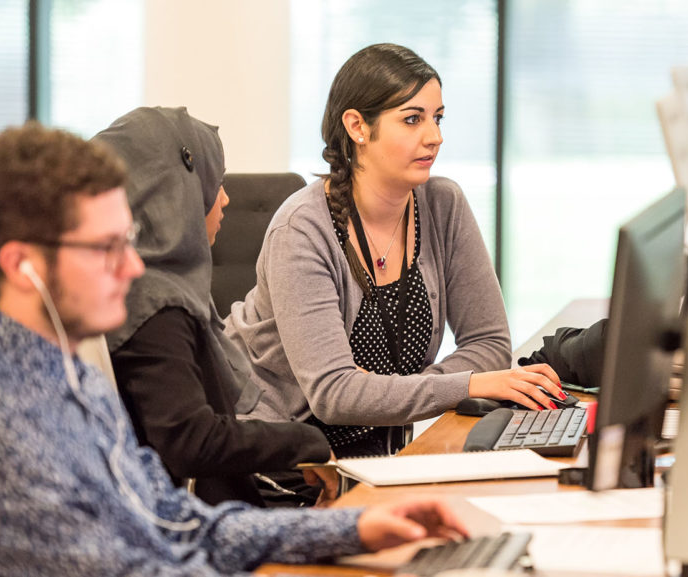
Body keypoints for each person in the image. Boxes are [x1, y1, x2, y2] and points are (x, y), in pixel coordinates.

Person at [0, 122, 467, 575]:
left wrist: (352, 528)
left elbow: (177, 521)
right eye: (105, 247)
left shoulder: (67, 379)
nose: (131, 266)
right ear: (22, 266)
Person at [224, 43, 566, 457]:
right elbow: (334, 394)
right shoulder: (303, 229)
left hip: (381, 454)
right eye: (412, 119)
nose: (435, 137)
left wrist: (392, 392)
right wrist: (466, 384)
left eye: (437, 118)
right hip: (285, 461)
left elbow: (489, 343)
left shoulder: (443, 205)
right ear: (357, 127)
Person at [94, 107, 335, 508]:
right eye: (214, 182)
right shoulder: (155, 305)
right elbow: (190, 441)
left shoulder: (147, 287)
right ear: (175, 193)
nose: (225, 197)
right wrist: (305, 442)